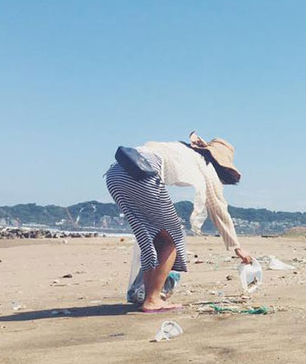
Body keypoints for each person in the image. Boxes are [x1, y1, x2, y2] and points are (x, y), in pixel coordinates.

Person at [105, 131, 253, 313]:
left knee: (153, 237)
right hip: (140, 175)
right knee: (173, 239)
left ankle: (147, 294)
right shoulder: (205, 165)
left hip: (115, 173)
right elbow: (218, 208)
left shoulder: (181, 148)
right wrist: (237, 247)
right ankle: (152, 299)